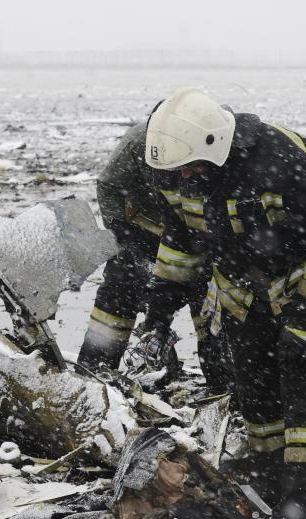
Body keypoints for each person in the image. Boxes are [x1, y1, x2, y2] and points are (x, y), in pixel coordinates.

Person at [140, 87, 306, 519]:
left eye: (191, 167)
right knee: (254, 383)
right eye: (178, 171)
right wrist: (158, 315)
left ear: (214, 146)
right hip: (242, 289)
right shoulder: (179, 173)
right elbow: (181, 242)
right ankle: (268, 480)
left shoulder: (280, 161)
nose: (185, 177)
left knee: (303, 376)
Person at [77, 119, 233, 393]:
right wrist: (123, 238)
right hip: (142, 231)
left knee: (209, 306)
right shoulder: (139, 142)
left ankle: (223, 387)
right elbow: (109, 186)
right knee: (118, 293)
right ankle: (93, 374)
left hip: (198, 235)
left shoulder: (213, 144)